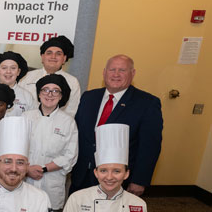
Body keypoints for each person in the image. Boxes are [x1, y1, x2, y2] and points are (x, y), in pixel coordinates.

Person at [70, 55, 163, 197]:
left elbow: (150, 146)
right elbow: (77, 133)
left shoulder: (147, 103)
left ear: (133, 73)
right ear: (104, 72)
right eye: (112, 69)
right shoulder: (88, 97)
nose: (116, 74)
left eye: (122, 70)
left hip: (118, 180)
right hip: (82, 175)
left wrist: (139, 180)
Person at [23, 74, 78, 212]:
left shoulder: (68, 122)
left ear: (61, 96)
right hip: (25, 179)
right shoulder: (25, 117)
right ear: (39, 94)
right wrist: (27, 169)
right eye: (45, 90)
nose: (50, 94)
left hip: (51, 182)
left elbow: (70, 156)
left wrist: (43, 169)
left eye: (55, 91)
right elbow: (16, 149)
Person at [19, 36, 81, 117]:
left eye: (58, 54)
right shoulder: (27, 77)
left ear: (64, 59)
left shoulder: (72, 82)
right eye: (49, 53)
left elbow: (70, 112)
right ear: (42, 57)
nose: (53, 57)